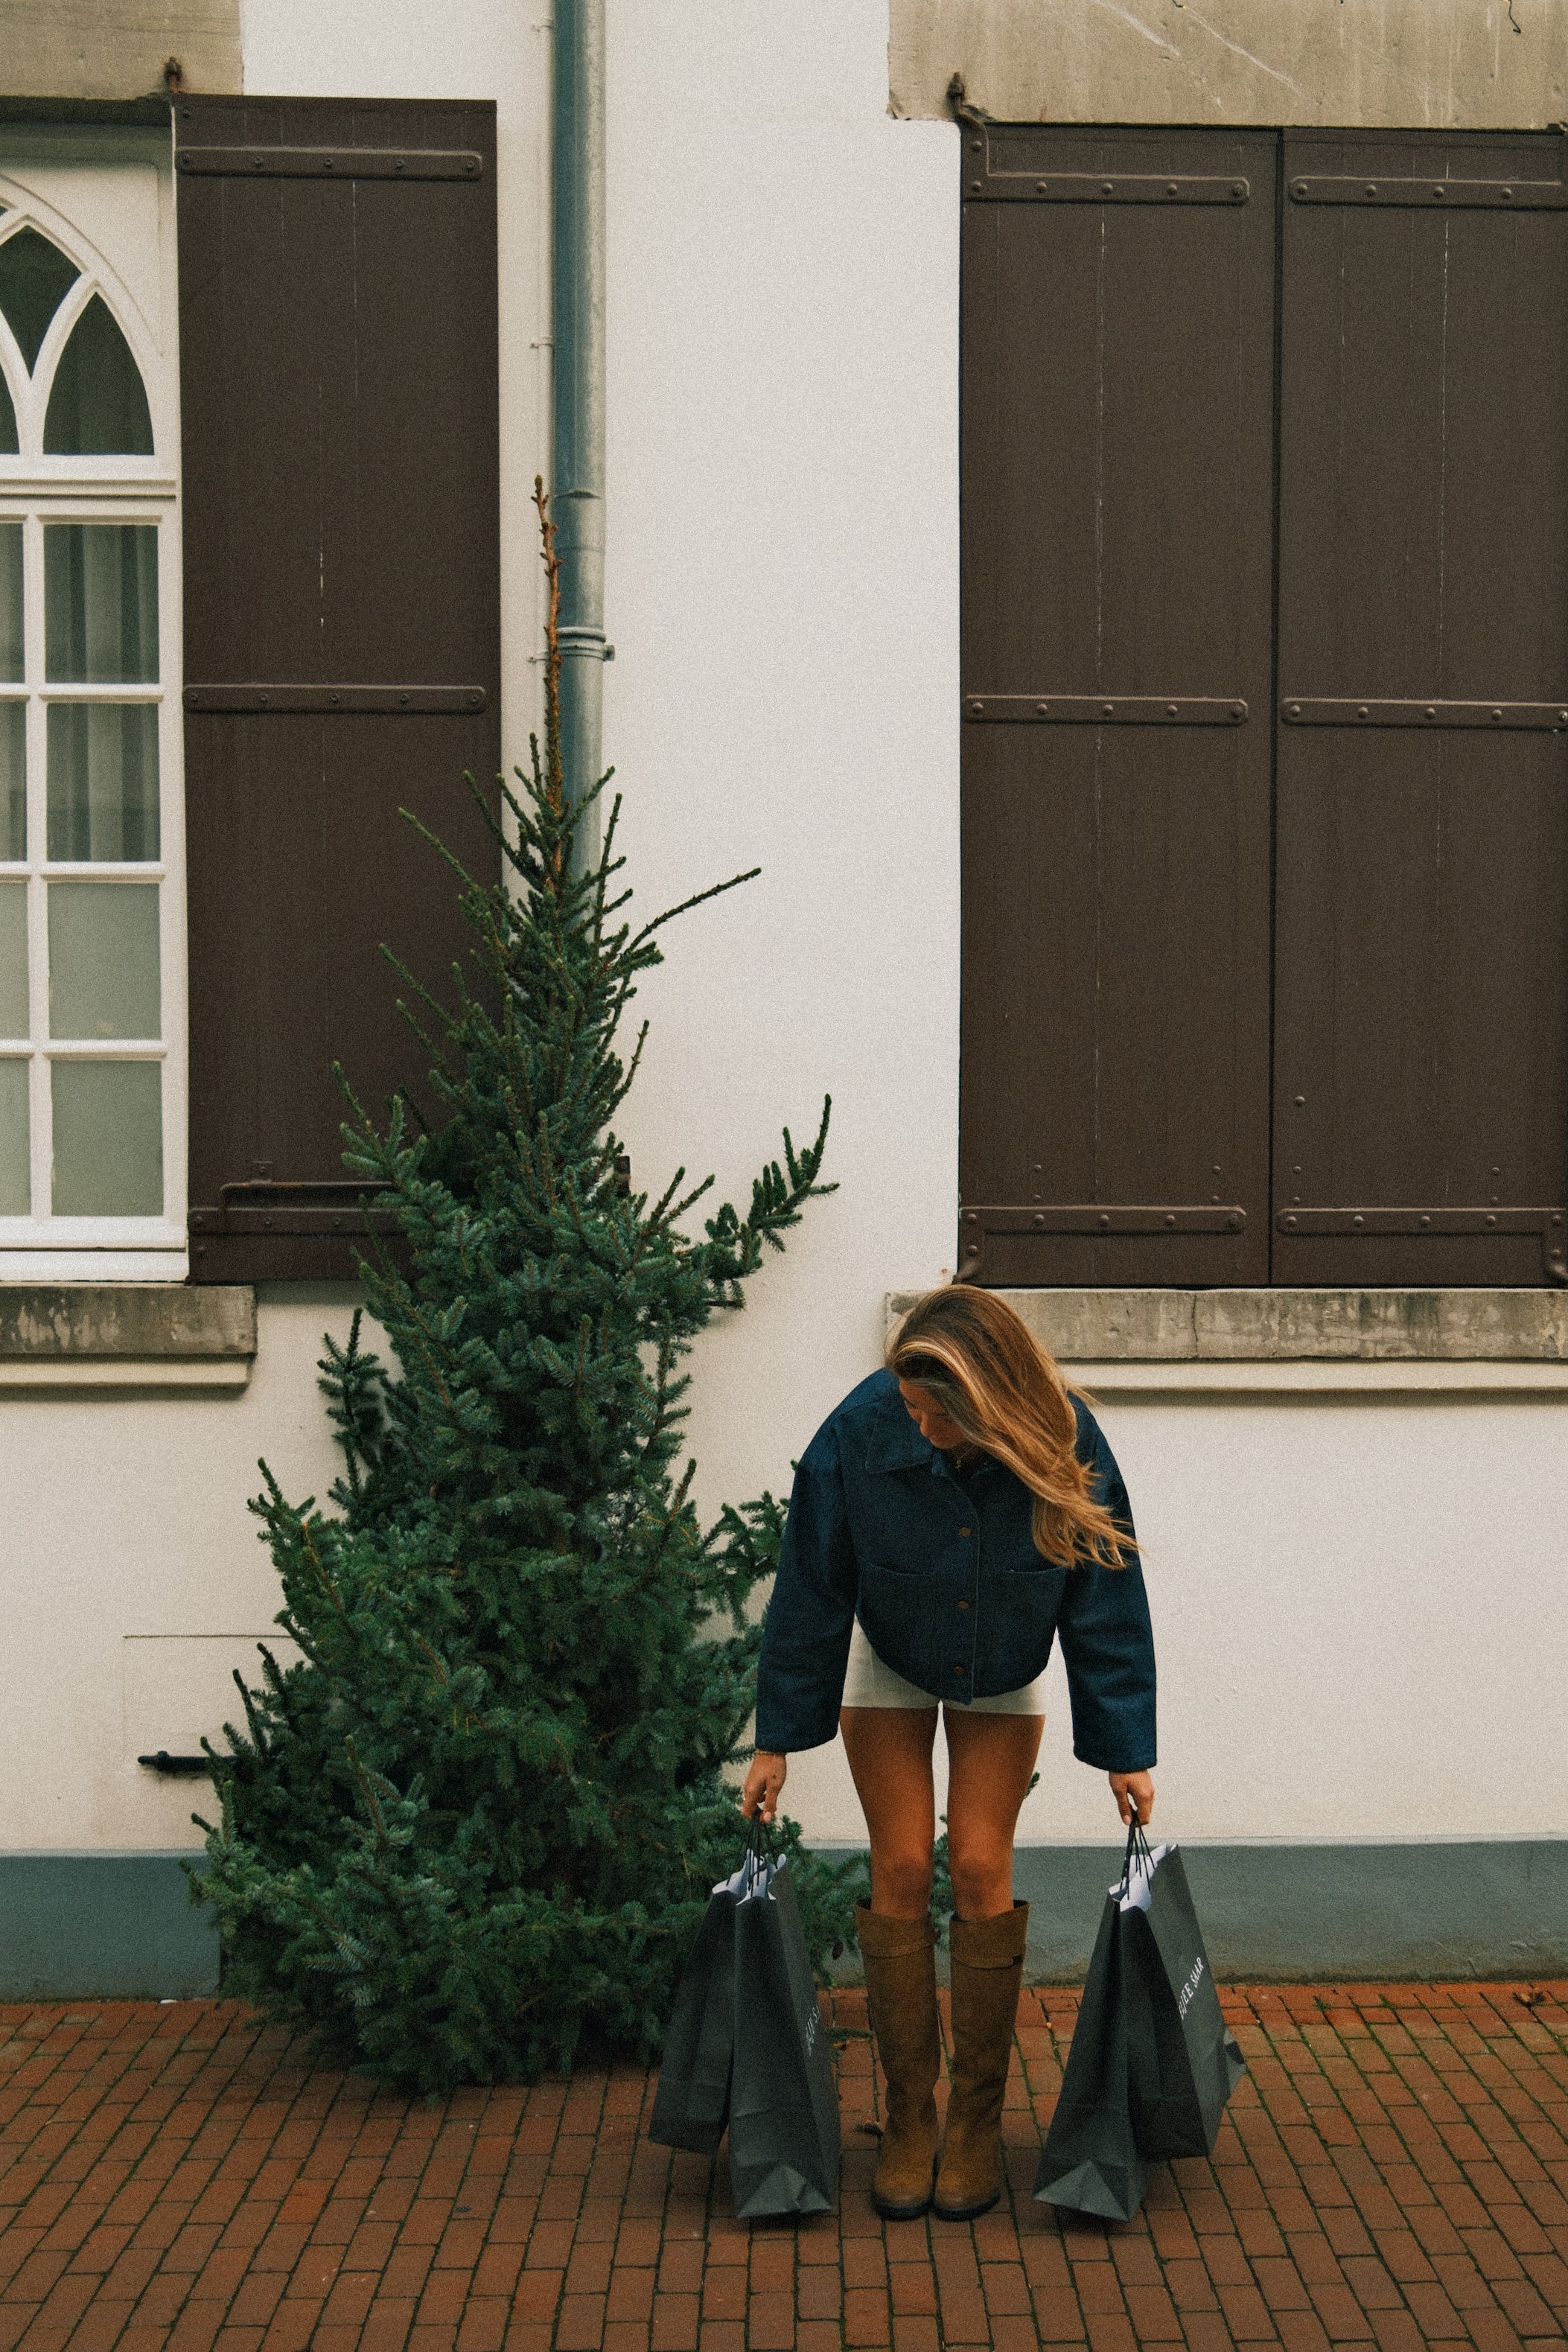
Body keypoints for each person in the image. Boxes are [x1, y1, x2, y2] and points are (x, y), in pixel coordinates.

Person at [741, 1282, 1156, 2222]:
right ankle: (910, 2118)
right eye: (913, 1410)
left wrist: (1125, 1748)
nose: (921, 1427)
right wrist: (775, 1741)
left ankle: (973, 2121)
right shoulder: (859, 1429)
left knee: (975, 1863)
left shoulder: (1065, 1435)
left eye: (940, 1416)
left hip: (1003, 1656)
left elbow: (1106, 1594)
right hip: (887, 1655)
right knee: (898, 1865)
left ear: (990, 1405)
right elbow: (810, 1587)